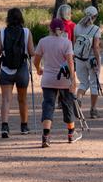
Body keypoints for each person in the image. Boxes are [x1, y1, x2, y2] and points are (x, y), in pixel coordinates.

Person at [33, 17, 80, 147]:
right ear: (63, 30)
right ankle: (71, 133)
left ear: (50, 29)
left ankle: (46, 136)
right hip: (64, 79)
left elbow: (36, 60)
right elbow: (70, 63)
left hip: (48, 79)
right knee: (67, 105)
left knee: (48, 105)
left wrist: (39, 69)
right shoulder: (67, 43)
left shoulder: (43, 41)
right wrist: (73, 80)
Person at [0, 8, 35, 137]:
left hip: (6, 70)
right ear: (21, 18)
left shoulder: (2, 32)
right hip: (21, 70)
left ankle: (4, 127)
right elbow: (31, 52)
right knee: (22, 99)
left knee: (6, 99)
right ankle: (24, 126)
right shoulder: (26, 32)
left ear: (8, 18)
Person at [73, 6, 102, 119]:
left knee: (83, 83)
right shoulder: (96, 29)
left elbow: (75, 43)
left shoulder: (77, 27)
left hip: (79, 59)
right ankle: (93, 110)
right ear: (95, 16)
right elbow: (96, 47)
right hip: (91, 60)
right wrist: (98, 61)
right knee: (94, 83)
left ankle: (78, 99)